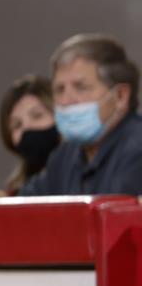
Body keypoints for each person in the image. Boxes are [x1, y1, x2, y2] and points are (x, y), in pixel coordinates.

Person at [20, 35, 142, 196]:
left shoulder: (137, 148)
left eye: (81, 87)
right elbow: (29, 202)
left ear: (120, 96)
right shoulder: (64, 156)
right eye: (59, 90)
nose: (66, 100)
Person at [0, 75, 56, 195]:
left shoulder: (80, 179)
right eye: (17, 125)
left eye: (37, 116)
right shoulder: (16, 192)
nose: (27, 127)